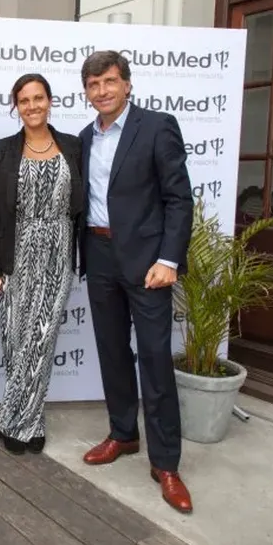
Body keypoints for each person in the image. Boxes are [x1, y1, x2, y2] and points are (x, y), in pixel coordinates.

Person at [77, 50, 195, 514]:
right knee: (112, 352)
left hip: (149, 263)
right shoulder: (86, 137)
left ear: (127, 83)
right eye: (93, 85)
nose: (102, 91)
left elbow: (178, 199)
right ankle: (123, 434)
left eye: (109, 81)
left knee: (154, 359)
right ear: (86, 92)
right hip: (99, 255)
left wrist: (169, 259)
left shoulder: (156, 126)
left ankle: (166, 463)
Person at [0, 73, 83, 455]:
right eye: (24, 100)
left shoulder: (73, 146)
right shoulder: (5, 151)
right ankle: (28, 418)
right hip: (15, 251)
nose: (32, 106)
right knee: (14, 338)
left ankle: (19, 420)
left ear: (50, 101)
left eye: (38, 98)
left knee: (42, 337)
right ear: (16, 106)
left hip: (58, 250)